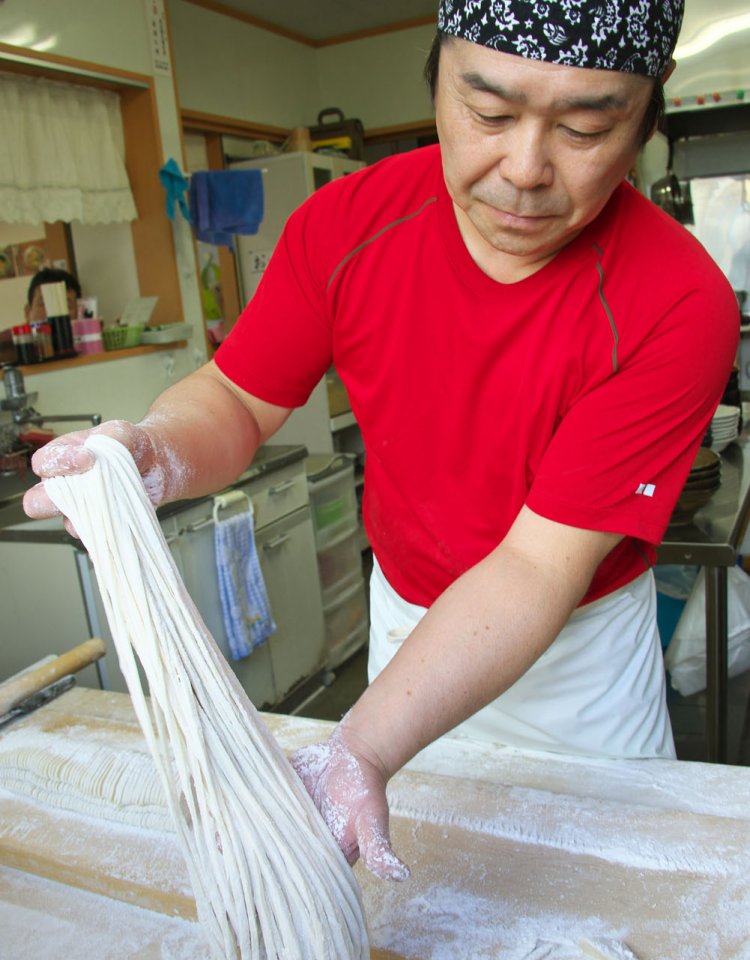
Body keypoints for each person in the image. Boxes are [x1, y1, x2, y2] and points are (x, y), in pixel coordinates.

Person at [23, 2, 739, 881]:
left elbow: (536, 568)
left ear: (647, 120)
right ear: (436, 76)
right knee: (412, 898)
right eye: (488, 114)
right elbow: (236, 402)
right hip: (411, 628)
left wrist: (356, 745)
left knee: (599, 903)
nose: (524, 171)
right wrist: (153, 447)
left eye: (587, 127)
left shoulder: (678, 301)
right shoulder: (347, 225)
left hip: (577, 662)